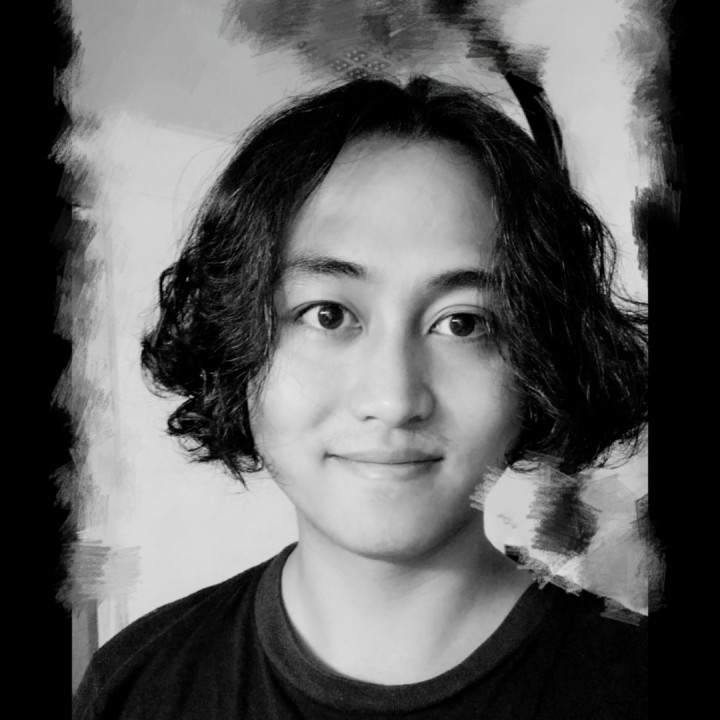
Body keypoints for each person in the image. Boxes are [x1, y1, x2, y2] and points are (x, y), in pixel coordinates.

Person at [73, 75, 648, 719]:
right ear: (236, 345)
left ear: (537, 365)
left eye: (463, 323)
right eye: (328, 315)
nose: (394, 398)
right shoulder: (136, 688)